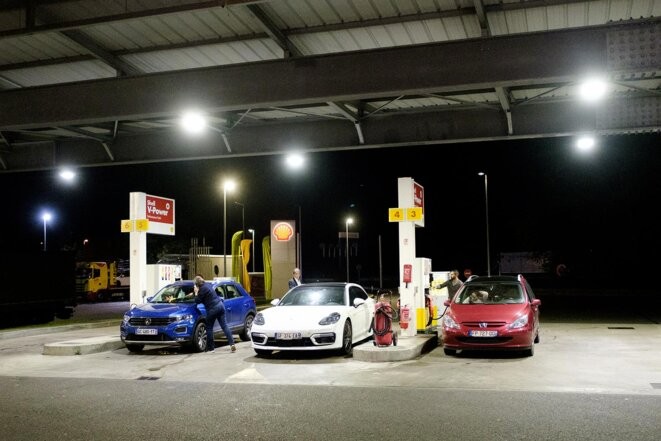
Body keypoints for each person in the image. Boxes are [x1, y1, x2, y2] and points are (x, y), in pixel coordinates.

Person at [190, 275, 236, 353]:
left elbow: (197, 301)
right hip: (220, 305)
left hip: (212, 309)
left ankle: (211, 348)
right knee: (224, 326)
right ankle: (232, 344)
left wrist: (196, 292)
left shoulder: (202, 290)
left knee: (209, 328)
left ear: (197, 284)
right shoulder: (208, 285)